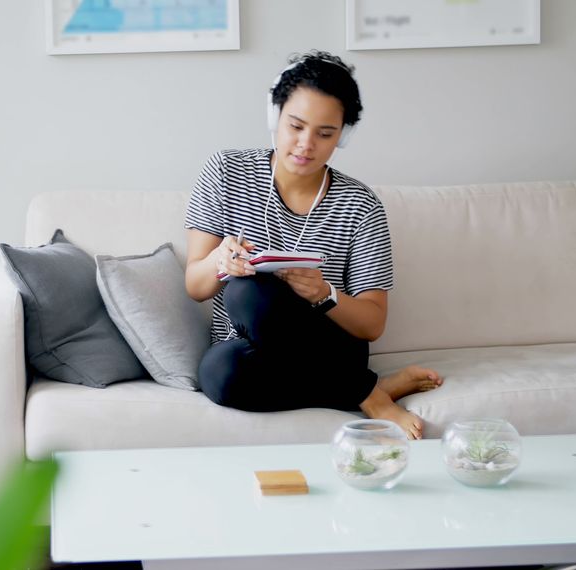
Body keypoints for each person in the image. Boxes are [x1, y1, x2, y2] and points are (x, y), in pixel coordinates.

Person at [183, 50, 442, 439]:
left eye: (325, 134)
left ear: (344, 135)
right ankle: (369, 389)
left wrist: (325, 295)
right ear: (275, 117)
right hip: (249, 352)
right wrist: (221, 261)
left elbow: (372, 323)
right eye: (296, 126)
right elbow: (195, 286)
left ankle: (364, 393)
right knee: (220, 368)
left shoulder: (361, 205)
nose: (306, 144)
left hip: (330, 348)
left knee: (249, 292)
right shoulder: (225, 170)